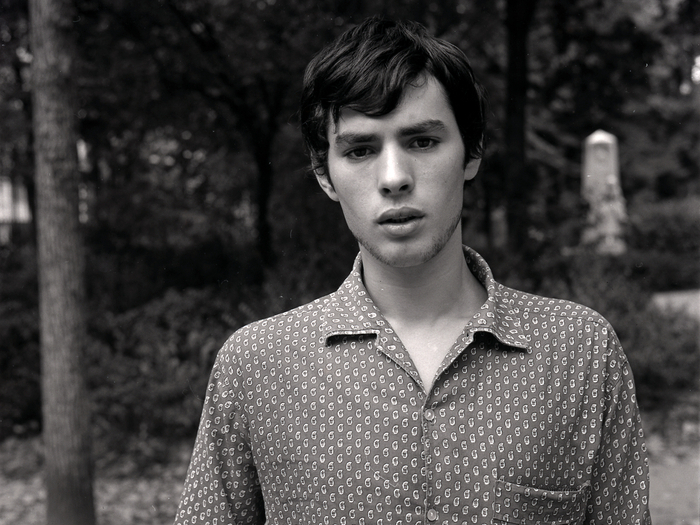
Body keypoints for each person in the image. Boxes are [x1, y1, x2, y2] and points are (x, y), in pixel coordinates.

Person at [174, 17, 651, 525]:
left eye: (422, 142)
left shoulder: (580, 353)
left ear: (472, 152)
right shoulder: (256, 367)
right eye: (360, 150)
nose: (394, 178)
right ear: (324, 174)